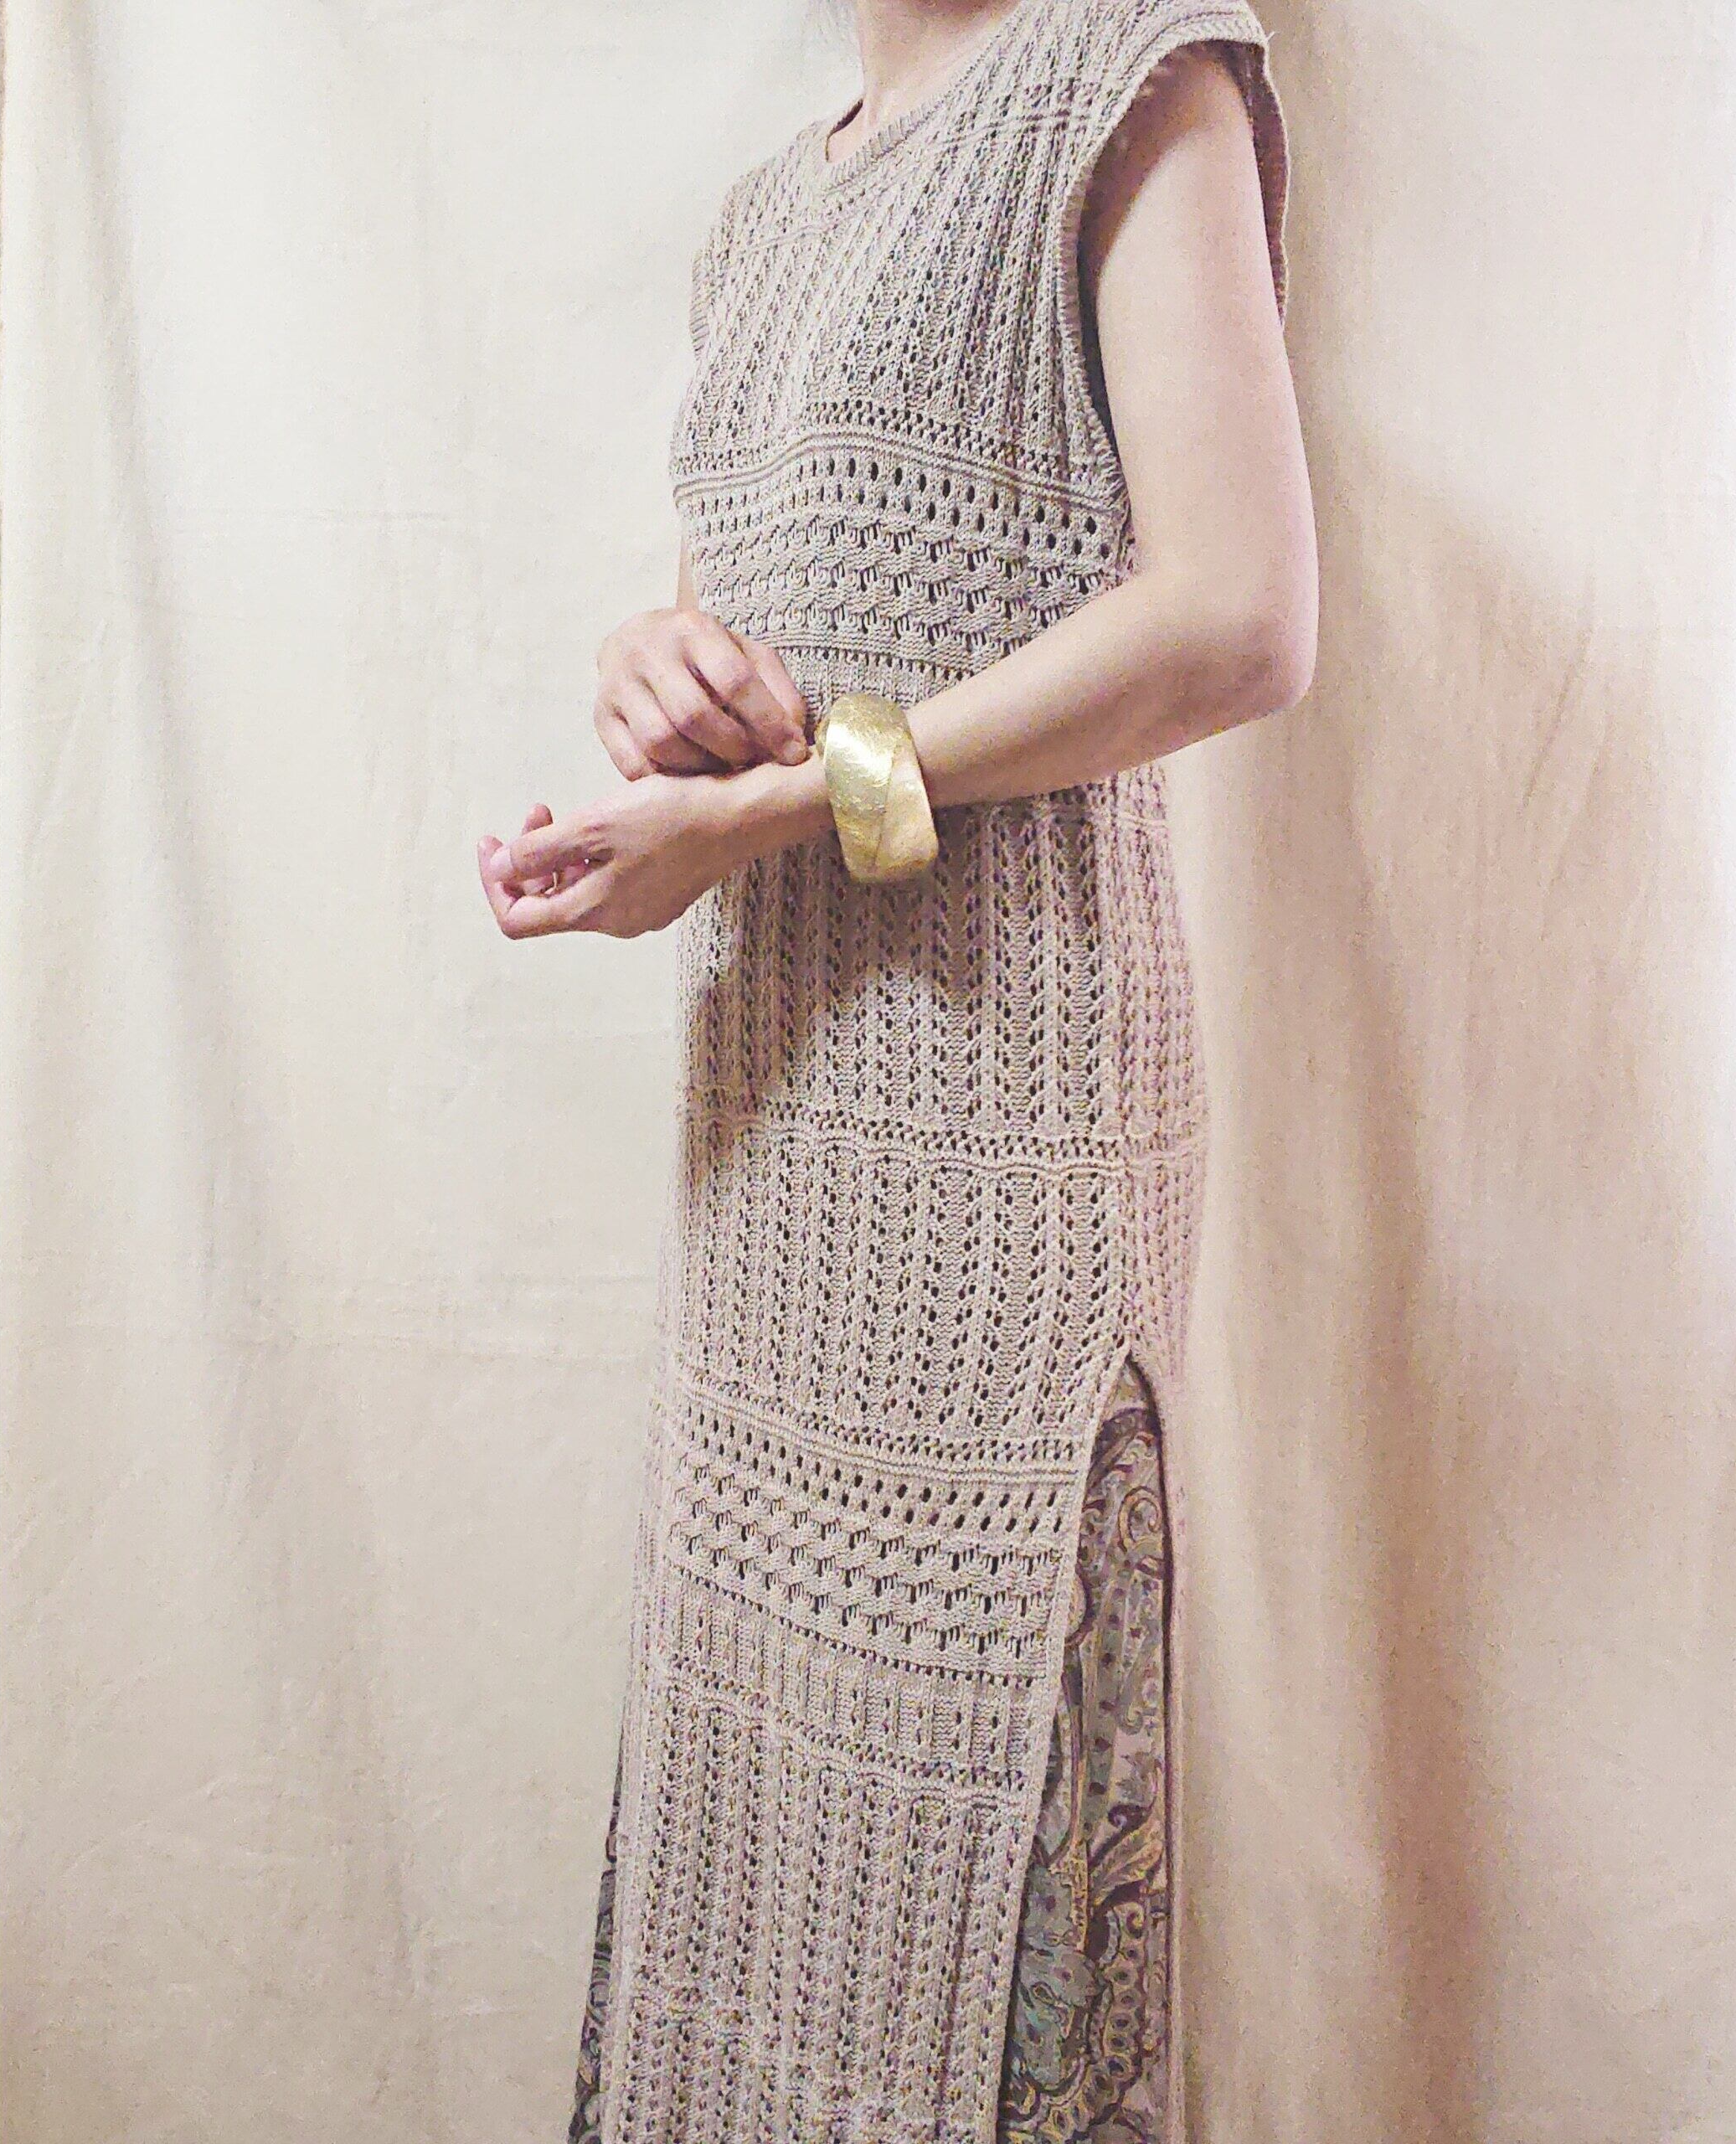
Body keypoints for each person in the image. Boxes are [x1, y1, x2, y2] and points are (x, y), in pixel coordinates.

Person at [478, 3, 1315, 2137]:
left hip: (1006, 1182)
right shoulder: (762, 218)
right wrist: (654, 679)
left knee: (978, 1929)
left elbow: (1241, 612)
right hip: (771, 1181)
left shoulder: (1133, 70)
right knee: (745, 1896)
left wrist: (789, 802)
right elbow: (773, 667)